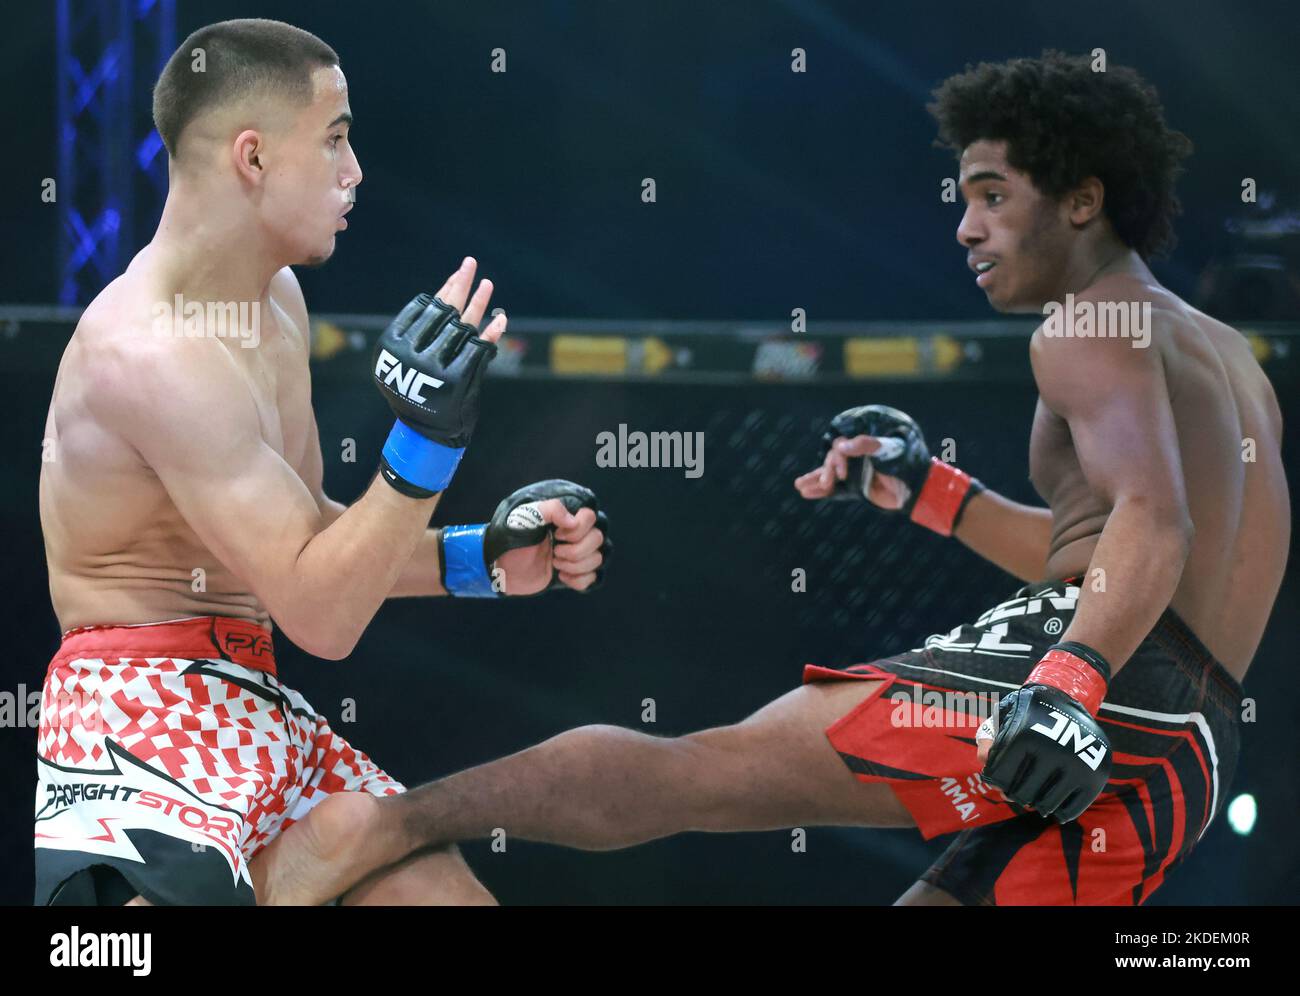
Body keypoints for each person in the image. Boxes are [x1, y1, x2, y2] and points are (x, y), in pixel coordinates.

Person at [259, 51, 1289, 906]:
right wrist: (933, 494)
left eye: (990, 196)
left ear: (1080, 200)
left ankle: (385, 825)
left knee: (702, 769)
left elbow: (1152, 526)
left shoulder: (1084, 329)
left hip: (1085, 687)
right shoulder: (1227, 359)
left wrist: (1068, 683)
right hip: (1183, 763)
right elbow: (1103, 546)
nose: (966, 228)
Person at [35, 18, 609, 906]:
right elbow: (323, 616)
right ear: (254, 158)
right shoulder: (150, 353)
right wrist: (425, 445)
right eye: (335, 141)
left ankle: (321, 857)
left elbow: (312, 546)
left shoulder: (278, 302)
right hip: (139, 721)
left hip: (254, 696)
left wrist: (482, 557)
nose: (356, 173)